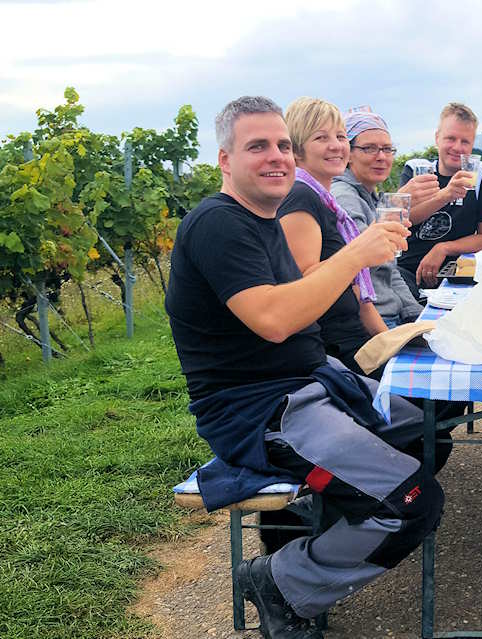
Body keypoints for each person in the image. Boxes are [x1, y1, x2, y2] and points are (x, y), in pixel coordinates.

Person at [165, 96, 445, 639]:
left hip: (311, 386)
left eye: (282, 146)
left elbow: (299, 306)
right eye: (257, 147)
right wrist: (356, 254)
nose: (277, 158)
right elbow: (272, 320)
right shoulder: (217, 224)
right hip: (262, 411)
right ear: (225, 159)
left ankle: (326, 541)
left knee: (426, 430)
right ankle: (282, 581)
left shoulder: (263, 218)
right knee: (413, 501)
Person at [276, 97, 386, 376]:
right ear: (297, 150)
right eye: (321, 138)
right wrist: (359, 251)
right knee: (444, 396)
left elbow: (359, 296)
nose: (336, 145)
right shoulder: (301, 197)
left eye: (340, 136)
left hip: (354, 340)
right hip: (333, 353)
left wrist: (391, 343)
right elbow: (302, 283)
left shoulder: (326, 201)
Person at [329, 107, 425, 327]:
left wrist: (415, 314)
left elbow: (390, 269)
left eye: (387, 149)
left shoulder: (370, 196)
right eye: (369, 148)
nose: (381, 157)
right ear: (348, 153)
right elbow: (368, 260)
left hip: (393, 314)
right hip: (375, 321)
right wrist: (396, 204)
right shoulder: (344, 196)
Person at [396, 102, 482, 298]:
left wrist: (443, 248)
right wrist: (444, 195)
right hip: (407, 269)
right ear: (437, 138)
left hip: (455, 272)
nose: (457, 147)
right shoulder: (417, 170)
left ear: (473, 144)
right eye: (450, 138)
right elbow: (403, 220)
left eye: (465, 141)